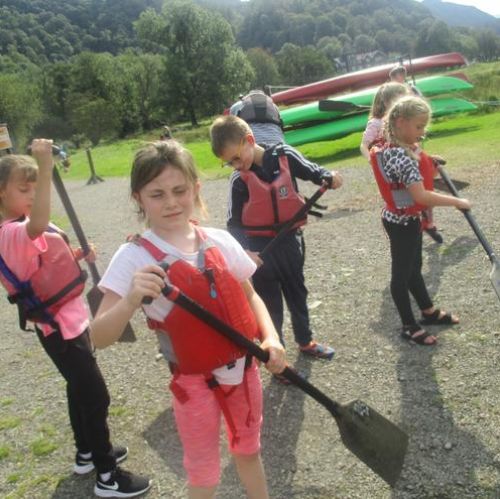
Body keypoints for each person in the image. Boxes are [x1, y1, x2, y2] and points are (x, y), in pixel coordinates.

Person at [90, 140, 286, 499]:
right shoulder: (132, 257)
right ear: (139, 199)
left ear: (196, 188)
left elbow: (251, 296)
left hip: (244, 370)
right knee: (204, 470)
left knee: (249, 449)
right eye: (157, 194)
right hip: (193, 384)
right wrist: (132, 298)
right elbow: (99, 337)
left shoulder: (219, 240)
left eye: (180, 190)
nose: (171, 202)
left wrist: (272, 338)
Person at [0, 141, 152, 498]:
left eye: (36, 188)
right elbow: (37, 227)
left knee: (78, 388)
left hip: (71, 321)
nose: (33, 195)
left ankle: (86, 452)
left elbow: (45, 261)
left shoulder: (21, 225)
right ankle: (107, 476)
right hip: (59, 330)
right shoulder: (9, 233)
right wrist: (44, 164)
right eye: (25, 189)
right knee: (96, 396)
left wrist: (76, 255)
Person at [210, 115, 343, 372]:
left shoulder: (285, 156)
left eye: (237, 158)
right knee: (270, 305)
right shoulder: (239, 181)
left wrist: (328, 176)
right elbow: (234, 224)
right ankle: (277, 356)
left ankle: (306, 341)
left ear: (249, 140)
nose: (236, 166)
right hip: (261, 251)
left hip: (290, 242)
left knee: (297, 293)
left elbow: (313, 171)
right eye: (229, 163)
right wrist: (244, 251)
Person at [369, 96, 471, 345]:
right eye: (419, 127)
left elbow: (412, 165)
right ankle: (408, 325)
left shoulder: (393, 147)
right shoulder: (401, 156)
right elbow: (421, 196)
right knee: (401, 277)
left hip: (401, 220)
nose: (422, 132)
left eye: (424, 127)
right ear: (401, 123)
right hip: (403, 223)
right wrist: (458, 202)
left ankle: (428, 311)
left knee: (414, 270)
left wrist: (428, 161)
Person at [361, 82, 444, 244]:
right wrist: (374, 162)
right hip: (395, 170)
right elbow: (364, 145)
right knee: (412, 199)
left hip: (408, 162)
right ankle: (413, 227)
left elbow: (411, 146)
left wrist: (427, 159)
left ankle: (428, 224)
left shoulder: (406, 120)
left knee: (424, 192)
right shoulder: (377, 123)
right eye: (401, 97)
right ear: (386, 101)